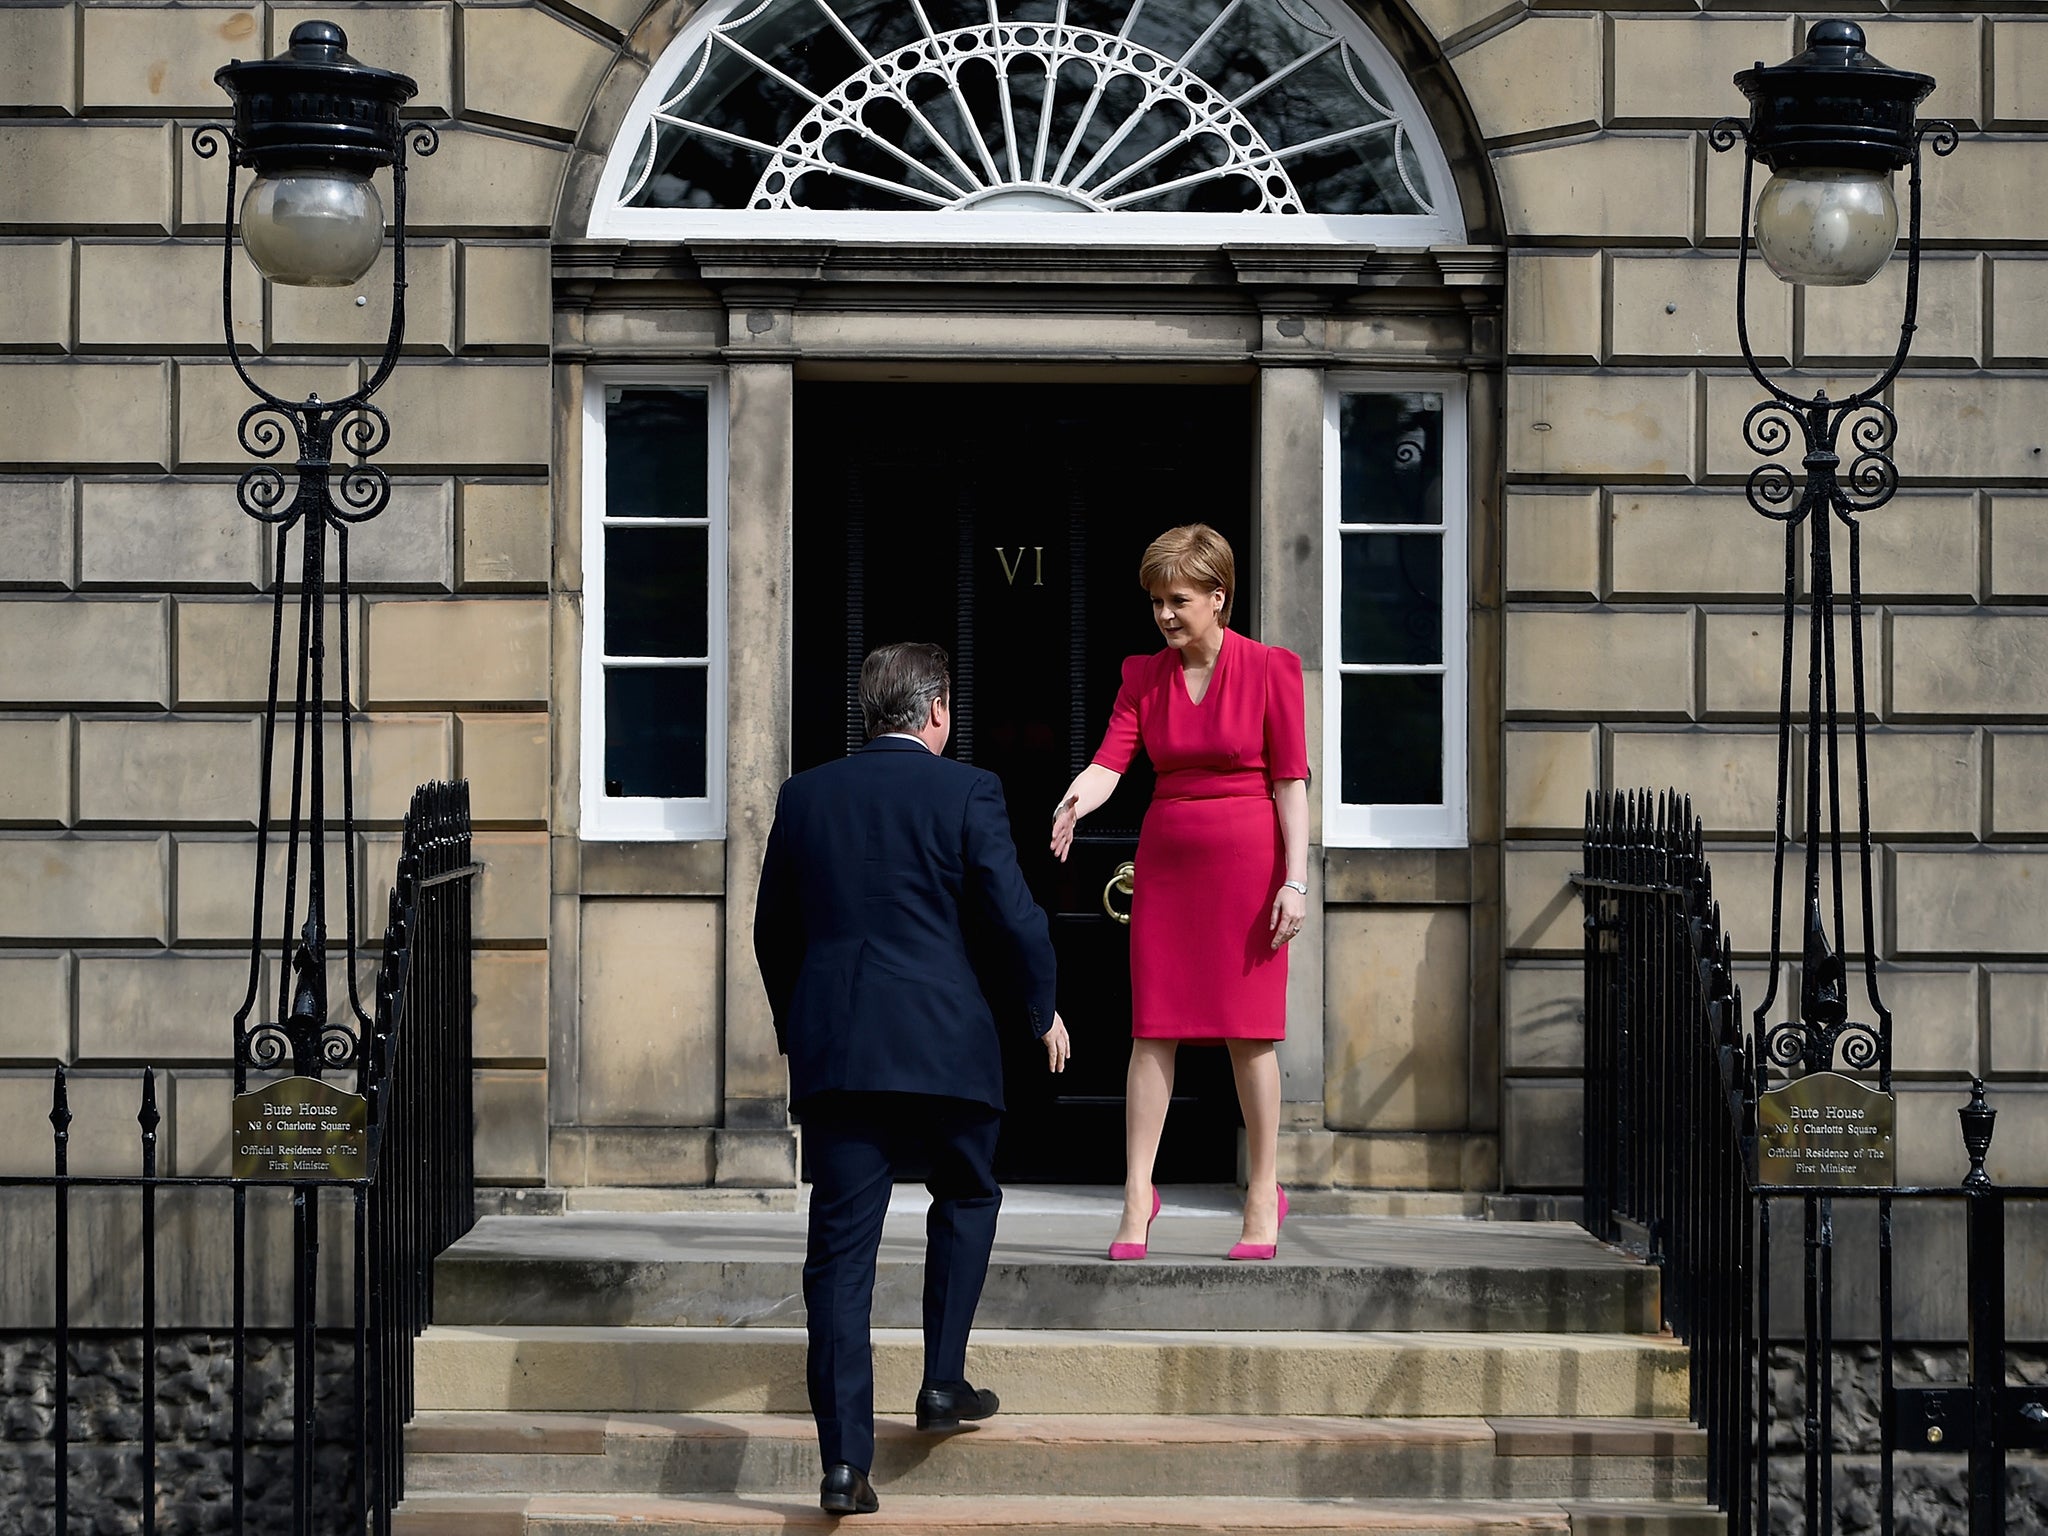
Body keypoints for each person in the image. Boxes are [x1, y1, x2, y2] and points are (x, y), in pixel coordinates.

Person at [755, 640, 1071, 1518]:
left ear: (872, 713)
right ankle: (940, 1382)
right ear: (936, 713)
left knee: (841, 1258)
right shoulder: (968, 790)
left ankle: (843, 1466)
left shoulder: (805, 795)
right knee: (967, 1196)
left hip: (842, 1057)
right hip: (947, 1050)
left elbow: (772, 930)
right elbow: (1016, 919)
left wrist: (801, 1031)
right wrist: (1039, 1009)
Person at [1050, 524, 1309, 1262]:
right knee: (1152, 1028)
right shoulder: (1142, 675)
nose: (1165, 614)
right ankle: (1138, 1191)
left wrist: (1295, 879)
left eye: (1180, 600)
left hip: (1252, 866)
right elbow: (1111, 762)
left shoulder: (1270, 670)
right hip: (1168, 865)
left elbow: (1290, 783)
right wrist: (1076, 800)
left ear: (1219, 597)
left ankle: (1263, 1191)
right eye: (1157, 601)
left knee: (1249, 1032)